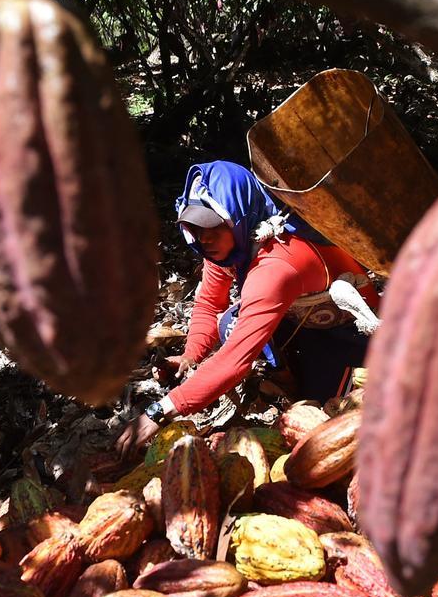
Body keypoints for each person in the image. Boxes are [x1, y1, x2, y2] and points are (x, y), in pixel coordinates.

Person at [113, 160, 379, 456]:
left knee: (331, 419)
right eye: (195, 228)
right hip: (304, 323)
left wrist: (159, 411)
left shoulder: (277, 264)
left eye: (213, 226)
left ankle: (321, 387)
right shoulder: (230, 246)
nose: (204, 238)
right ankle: (290, 381)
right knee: (230, 321)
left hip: (350, 336)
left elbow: (236, 358)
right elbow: (210, 301)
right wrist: (191, 355)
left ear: (238, 216)